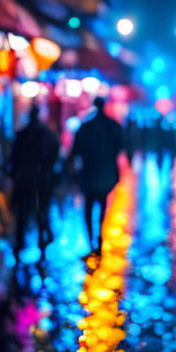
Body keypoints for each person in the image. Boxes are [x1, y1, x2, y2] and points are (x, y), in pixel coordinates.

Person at [67, 97, 123, 250]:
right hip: (105, 173)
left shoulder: (85, 127)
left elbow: (74, 151)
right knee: (102, 203)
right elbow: (120, 147)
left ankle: (91, 235)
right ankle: (98, 234)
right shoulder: (113, 126)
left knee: (89, 206)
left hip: (89, 173)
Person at [6, 107, 59, 256]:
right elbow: (54, 156)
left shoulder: (23, 135)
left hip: (25, 180)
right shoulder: (47, 135)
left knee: (22, 215)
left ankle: (21, 244)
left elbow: (13, 158)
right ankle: (41, 242)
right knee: (41, 212)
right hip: (41, 181)